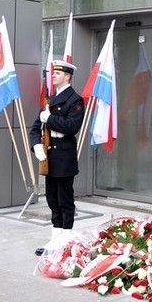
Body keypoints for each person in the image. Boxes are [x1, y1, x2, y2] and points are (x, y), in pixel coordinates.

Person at [30, 60, 85, 256]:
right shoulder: (50, 100)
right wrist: (36, 144)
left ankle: (66, 239)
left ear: (68, 77)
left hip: (64, 155)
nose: (53, 76)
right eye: (53, 74)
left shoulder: (75, 100)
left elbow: (72, 127)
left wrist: (50, 119)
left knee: (65, 200)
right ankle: (55, 238)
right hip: (49, 156)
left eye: (58, 74)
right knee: (52, 199)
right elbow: (35, 128)